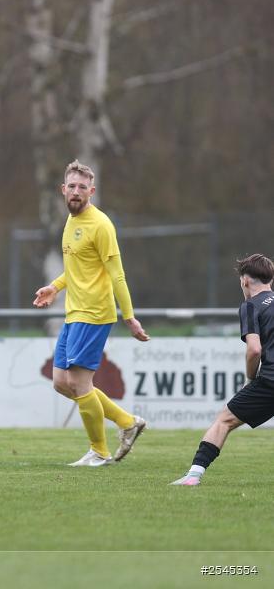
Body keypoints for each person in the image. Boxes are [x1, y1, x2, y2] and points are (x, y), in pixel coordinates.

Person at [33, 159, 150, 467]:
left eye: (82, 187)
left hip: (95, 313)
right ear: (62, 189)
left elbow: (117, 275)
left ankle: (99, 451)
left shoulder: (101, 225)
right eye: (71, 186)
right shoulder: (70, 222)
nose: (76, 192)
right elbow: (78, 270)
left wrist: (129, 316)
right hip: (74, 312)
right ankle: (127, 421)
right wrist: (55, 287)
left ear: (91, 192)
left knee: (80, 384)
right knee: (60, 381)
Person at [171, 254, 274, 485]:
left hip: (269, 381)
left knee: (224, 421)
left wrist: (250, 378)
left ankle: (193, 476)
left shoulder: (250, 306)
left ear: (245, 281)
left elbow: (254, 350)